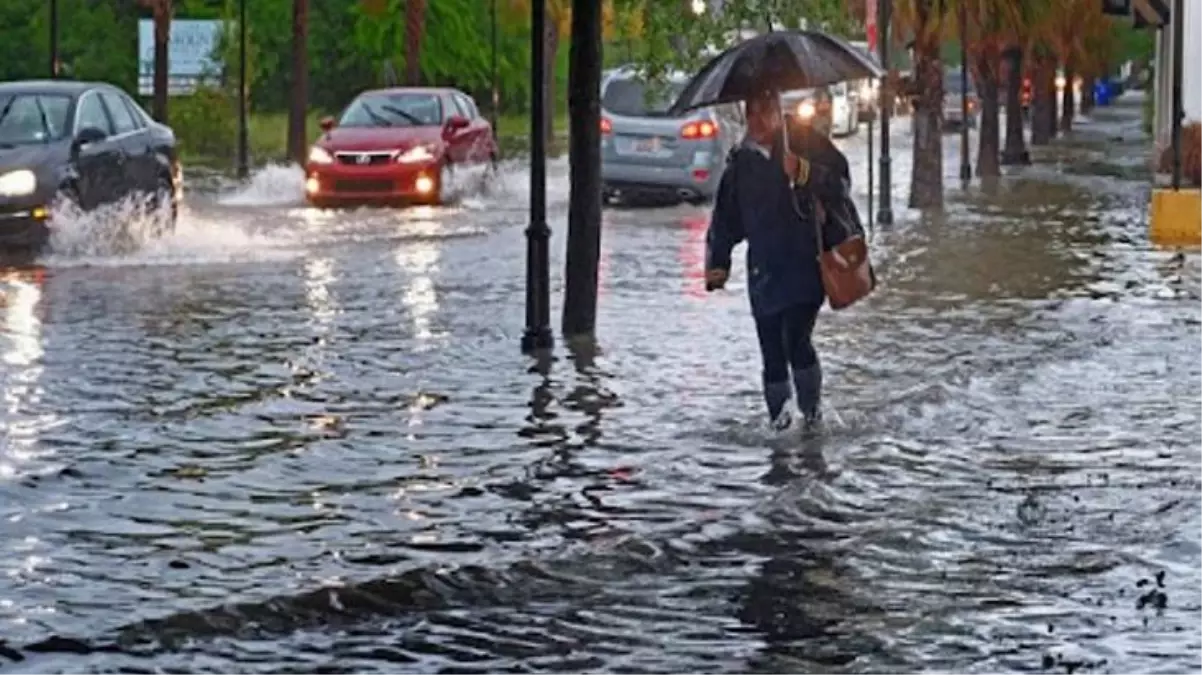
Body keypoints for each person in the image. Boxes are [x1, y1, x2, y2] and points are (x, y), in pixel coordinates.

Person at [704, 91, 845, 431]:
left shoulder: (804, 142)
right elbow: (725, 218)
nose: (758, 121)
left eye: (765, 112)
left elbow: (839, 183)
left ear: (777, 111)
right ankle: (779, 426)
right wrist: (717, 260)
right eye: (752, 113)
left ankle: (812, 417)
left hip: (804, 265)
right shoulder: (740, 163)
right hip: (764, 271)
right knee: (771, 351)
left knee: (797, 339)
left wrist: (804, 171)